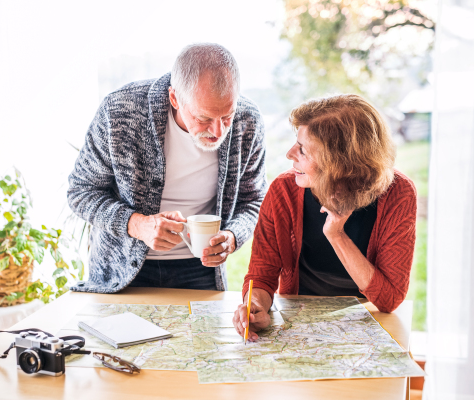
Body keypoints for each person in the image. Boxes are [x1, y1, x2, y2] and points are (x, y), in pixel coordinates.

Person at [67, 43, 266, 293]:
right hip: (122, 272)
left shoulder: (248, 121)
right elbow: (81, 192)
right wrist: (137, 225)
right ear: (174, 98)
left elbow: (254, 200)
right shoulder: (119, 111)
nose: (218, 132)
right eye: (203, 118)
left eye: (227, 116)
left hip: (201, 270)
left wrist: (233, 236)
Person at [233, 94, 417, 341]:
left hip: (366, 325)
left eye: (303, 150)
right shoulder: (284, 190)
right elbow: (262, 275)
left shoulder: (398, 194)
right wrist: (255, 306)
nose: (289, 154)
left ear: (339, 164)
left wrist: (336, 234)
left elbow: (388, 300)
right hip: (299, 322)